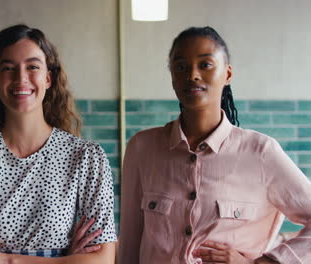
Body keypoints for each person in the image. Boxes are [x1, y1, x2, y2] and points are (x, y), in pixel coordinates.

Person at [0, 24, 117, 264]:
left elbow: (103, 260)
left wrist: (2, 259)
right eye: (8, 68)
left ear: (48, 78)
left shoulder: (86, 157)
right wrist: (66, 260)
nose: (20, 78)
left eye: (32, 66)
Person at [118, 26, 311, 263]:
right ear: (173, 78)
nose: (192, 75)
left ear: (227, 74)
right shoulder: (142, 147)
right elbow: (130, 240)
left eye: (205, 64)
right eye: (181, 67)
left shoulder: (260, 152)